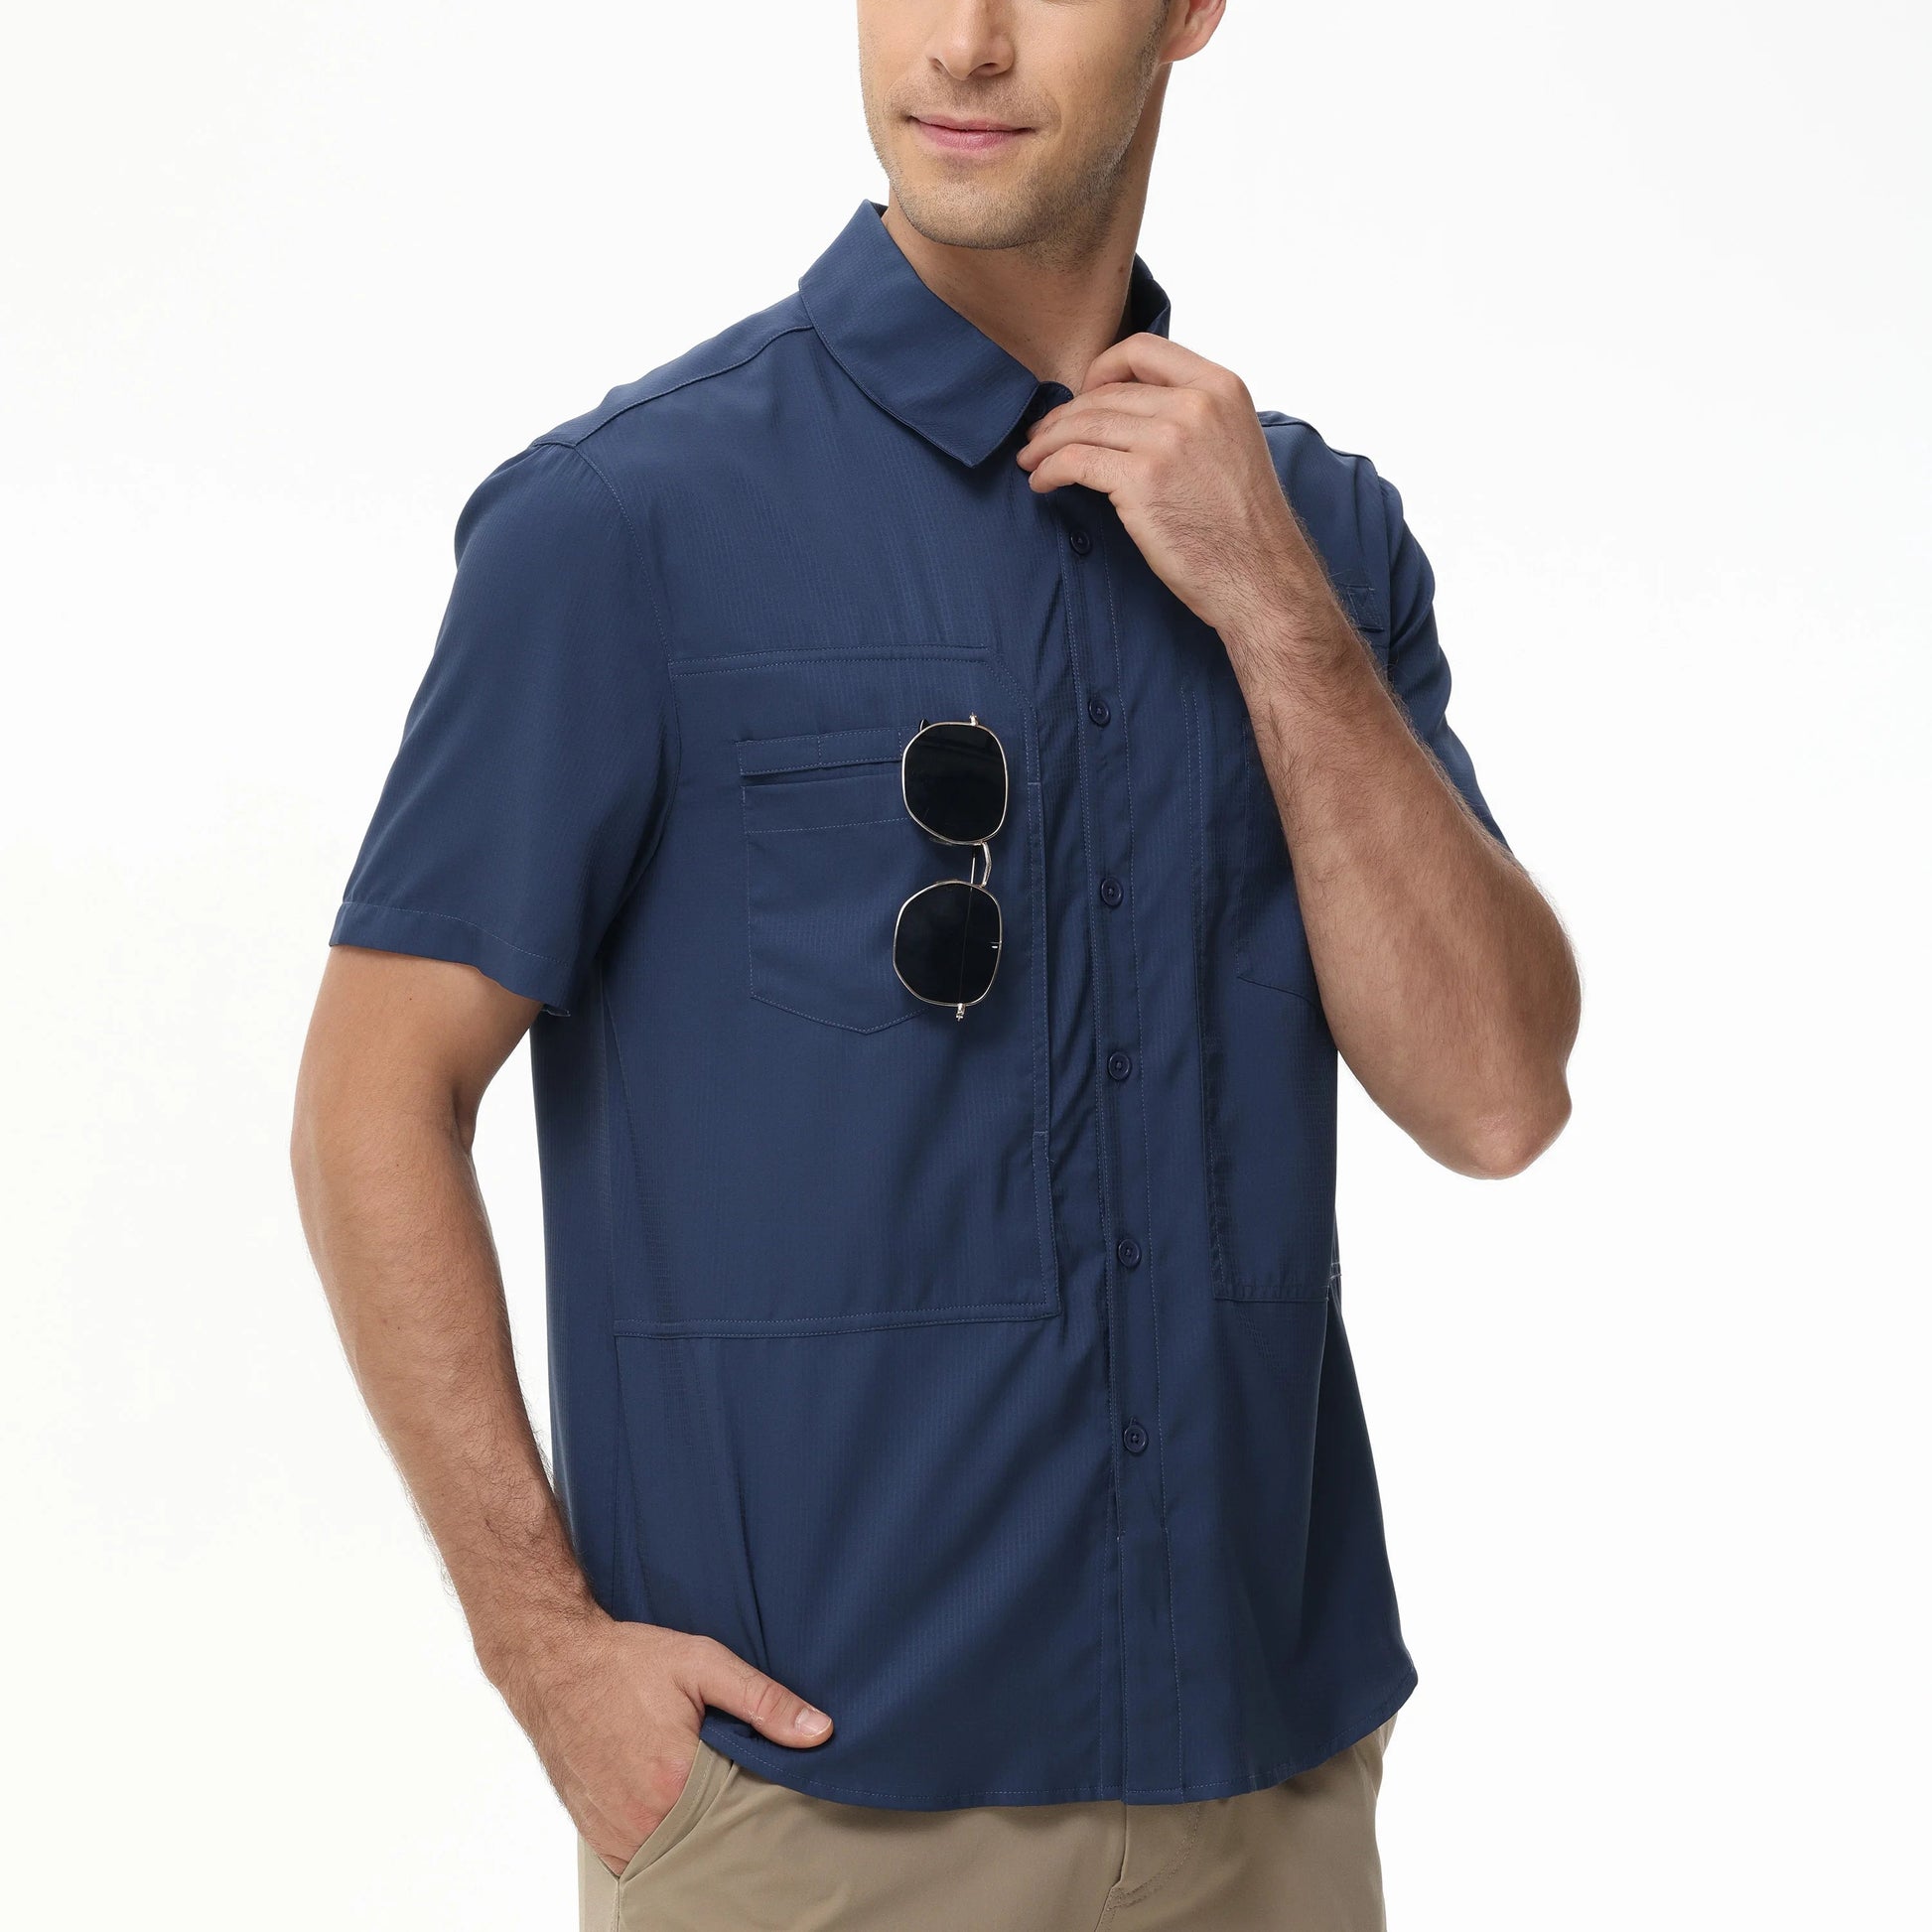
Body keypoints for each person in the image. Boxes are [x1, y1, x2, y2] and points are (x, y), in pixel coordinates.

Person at [290, 3, 1581, 1925]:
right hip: (811, 1819)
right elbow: (368, 1098)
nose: (964, 44)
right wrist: (542, 1650)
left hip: (1270, 1801)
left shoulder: (1316, 538)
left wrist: (1270, 608)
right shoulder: (622, 525)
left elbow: (1493, 1097)